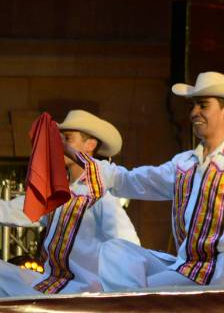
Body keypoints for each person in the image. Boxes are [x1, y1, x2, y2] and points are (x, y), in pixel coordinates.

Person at [93, 73, 224, 289]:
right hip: (187, 270)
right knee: (114, 250)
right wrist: (85, 162)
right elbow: (133, 181)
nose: (194, 113)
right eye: (193, 106)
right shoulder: (184, 164)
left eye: (203, 105)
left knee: (148, 294)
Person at [0, 111, 139, 296]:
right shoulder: (57, 193)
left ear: (90, 145)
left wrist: (124, 298)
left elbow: (127, 243)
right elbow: (10, 210)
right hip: (51, 287)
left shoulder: (100, 193)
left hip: (82, 294)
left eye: (67, 138)